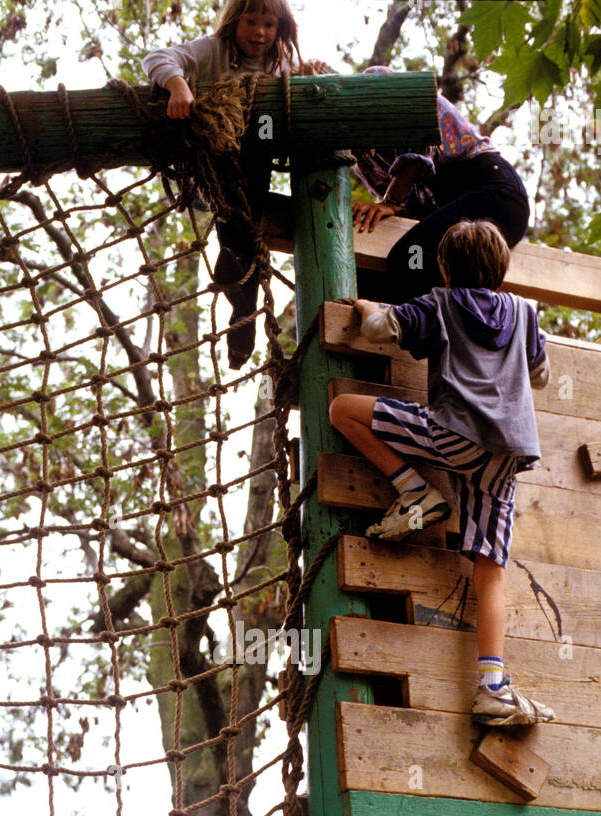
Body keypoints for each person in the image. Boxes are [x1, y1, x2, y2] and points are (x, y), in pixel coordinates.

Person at [329, 219, 555, 727]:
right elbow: (541, 376)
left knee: (343, 408)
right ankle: (493, 686)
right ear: (502, 270)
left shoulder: (439, 303)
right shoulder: (524, 313)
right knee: (490, 567)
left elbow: (380, 328)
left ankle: (415, 491)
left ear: (445, 270)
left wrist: (365, 307)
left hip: (452, 437)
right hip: (508, 457)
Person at [144, 0, 326, 368]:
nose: (259, 32)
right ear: (234, 20)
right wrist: (179, 87)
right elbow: (156, 59)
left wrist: (311, 74)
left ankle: (241, 302)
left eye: (269, 24)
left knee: (247, 214)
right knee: (238, 181)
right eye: (251, 21)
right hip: (203, 167)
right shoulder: (214, 51)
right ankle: (242, 301)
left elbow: (315, 85)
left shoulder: (280, 65)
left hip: (248, 170)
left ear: (281, 29)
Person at [353, 72, 530, 305]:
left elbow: (417, 139)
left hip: (496, 196)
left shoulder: (376, 84)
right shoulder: (362, 158)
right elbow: (413, 211)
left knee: (409, 256)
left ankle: (447, 322)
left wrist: (390, 202)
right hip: (474, 215)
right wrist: (389, 207)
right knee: (372, 277)